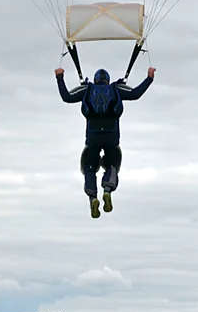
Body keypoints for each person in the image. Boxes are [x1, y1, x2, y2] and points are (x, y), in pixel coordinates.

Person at [55, 64, 155, 218]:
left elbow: (67, 97)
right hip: (111, 136)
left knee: (89, 168)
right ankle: (107, 191)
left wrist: (60, 77)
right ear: (108, 81)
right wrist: (149, 78)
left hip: (93, 137)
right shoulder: (116, 89)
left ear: (95, 80)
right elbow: (135, 94)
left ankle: (92, 198)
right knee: (112, 165)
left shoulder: (87, 89)